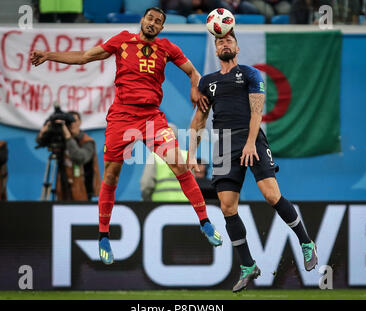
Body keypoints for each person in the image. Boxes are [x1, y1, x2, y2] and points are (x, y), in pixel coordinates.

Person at [30, 7, 223, 265]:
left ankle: (205, 222)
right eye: (150, 18)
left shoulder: (167, 48)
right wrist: (48, 55)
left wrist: (195, 88)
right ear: (142, 20)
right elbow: (84, 57)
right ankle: (103, 236)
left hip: (152, 117)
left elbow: (193, 72)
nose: (153, 23)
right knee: (111, 174)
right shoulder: (122, 41)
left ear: (162, 28)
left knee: (178, 161)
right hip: (121, 116)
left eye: (158, 21)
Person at [188, 32, 318, 293]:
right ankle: (248, 266)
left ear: (237, 47)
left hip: (252, 141)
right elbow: (199, 121)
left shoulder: (249, 74)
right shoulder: (208, 83)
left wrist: (250, 142)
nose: (224, 44)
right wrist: (191, 152)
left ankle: (306, 242)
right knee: (227, 207)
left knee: (271, 196)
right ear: (216, 50)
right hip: (224, 144)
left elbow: (257, 112)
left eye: (229, 41)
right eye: (220, 41)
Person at [36, 111, 101, 201]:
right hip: (63, 189)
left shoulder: (87, 141)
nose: (72, 124)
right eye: (69, 122)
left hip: (83, 190)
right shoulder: (61, 138)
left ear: (80, 122)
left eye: (74, 121)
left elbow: (79, 157)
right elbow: (41, 143)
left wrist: (68, 137)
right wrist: (43, 132)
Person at [140, 123, 190, 202]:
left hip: (160, 206)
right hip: (184, 205)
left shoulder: (154, 157)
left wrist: (147, 201)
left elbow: (146, 184)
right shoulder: (187, 156)